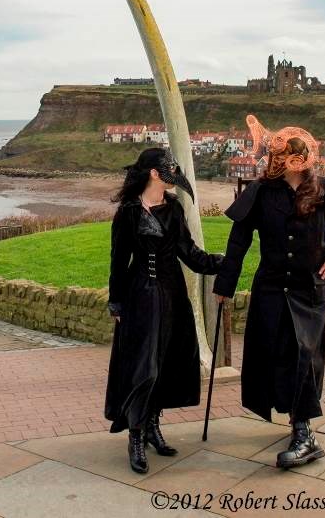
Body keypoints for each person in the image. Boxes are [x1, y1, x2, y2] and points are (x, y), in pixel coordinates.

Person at [213, 114, 325, 469]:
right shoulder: (262, 192)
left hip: (310, 290)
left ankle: (304, 432)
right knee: (275, 354)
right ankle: (296, 422)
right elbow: (239, 240)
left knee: (304, 357)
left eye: (281, 159)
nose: (274, 164)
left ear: (299, 160)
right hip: (270, 289)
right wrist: (225, 285)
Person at [104, 147, 224, 474]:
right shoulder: (128, 213)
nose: (173, 175)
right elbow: (118, 262)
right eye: (167, 170)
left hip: (172, 294)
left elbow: (190, 253)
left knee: (167, 363)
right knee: (145, 367)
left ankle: (154, 427)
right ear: (154, 173)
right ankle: (136, 435)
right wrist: (116, 301)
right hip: (141, 295)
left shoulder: (173, 209)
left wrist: (223, 262)